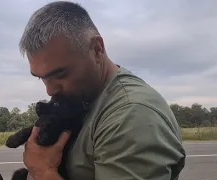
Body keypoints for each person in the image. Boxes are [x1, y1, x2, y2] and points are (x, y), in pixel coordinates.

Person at [19, 1, 186, 180]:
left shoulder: (130, 115)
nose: (50, 90)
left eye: (60, 74)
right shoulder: (85, 99)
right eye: (40, 77)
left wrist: (43, 171)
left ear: (97, 49)